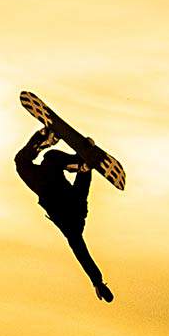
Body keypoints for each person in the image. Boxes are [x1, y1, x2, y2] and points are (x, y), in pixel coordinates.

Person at [14, 126, 113, 302]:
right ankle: (51, 144)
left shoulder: (77, 220)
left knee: (40, 160)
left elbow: (82, 190)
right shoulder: (74, 225)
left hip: (48, 187)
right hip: (47, 187)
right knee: (38, 160)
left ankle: (49, 142)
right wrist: (97, 281)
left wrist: (97, 281)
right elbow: (81, 254)